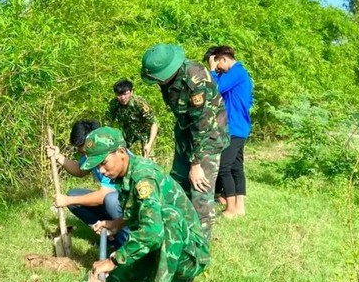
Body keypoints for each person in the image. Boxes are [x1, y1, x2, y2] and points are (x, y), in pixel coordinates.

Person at [84, 127, 210, 282]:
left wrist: (114, 260)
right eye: (97, 166)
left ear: (121, 153)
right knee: (108, 281)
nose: (100, 170)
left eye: (103, 162)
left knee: (169, 218)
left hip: (189, 254)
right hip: (157, 251)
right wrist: (117, 224)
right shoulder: (125, 177)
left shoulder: (144, 178)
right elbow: (141, 214)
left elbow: (152, 232)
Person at [140, 44, 229, 237]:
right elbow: (183, 118)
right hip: (186, 136)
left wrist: (196, 163)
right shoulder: (167, 81)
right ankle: (179, 235)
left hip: (207, 139)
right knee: (177, 186)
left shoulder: (195, 79)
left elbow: (202, 124)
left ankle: (200, 250)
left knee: (200, 192)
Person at [46, 120, 129, 249]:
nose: (86, 156)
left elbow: (104, 195)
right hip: (113, 205)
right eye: (83, 153)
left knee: (111, 200)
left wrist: (67, 200)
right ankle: (106, 232)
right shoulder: (91, 154)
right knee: (74, 196)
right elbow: (80, 170)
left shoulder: (110, 156)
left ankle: (124, 243)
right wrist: (58, 157)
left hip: (127, 207)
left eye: (86, 152)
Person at [204, 46, 253, 218]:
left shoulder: (236, 72)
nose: (218, 70)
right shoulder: (240, 74)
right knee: (236, 168)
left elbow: (213, 89)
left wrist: (211, 71)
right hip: (239, 127)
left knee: (224, 167)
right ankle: (240, 207)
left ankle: (231, 208)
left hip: (234, 128)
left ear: (223, 58)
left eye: (218, 65)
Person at [106, 79, 159, 157]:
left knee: (147, 163)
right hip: (128, 136)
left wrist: (149, 144)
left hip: (145, 135)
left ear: (131, 92)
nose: (123, 98)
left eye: (125, 94)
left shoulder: (139, 103)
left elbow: (154, 123)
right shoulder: (114, 104)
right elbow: (107, 123)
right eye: (119, 95)